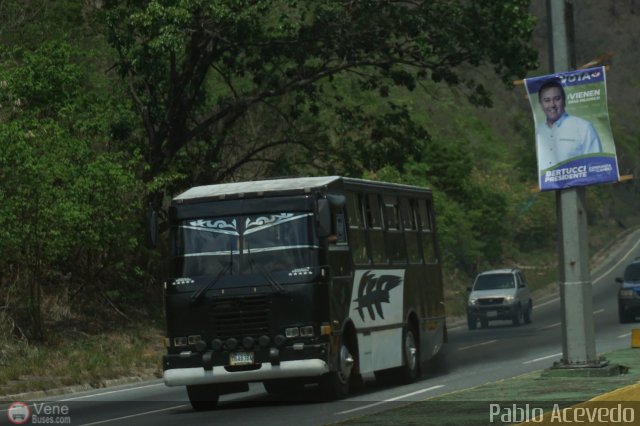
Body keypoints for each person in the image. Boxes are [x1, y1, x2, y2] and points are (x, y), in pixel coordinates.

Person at [535, 80, 603, 170]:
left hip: (579, 184)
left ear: (564, 101)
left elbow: (596, 165)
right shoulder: (538, 131)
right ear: (541, 104)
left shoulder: (584, 127)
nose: (552, 105)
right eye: (547, 100)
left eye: (557, 99)